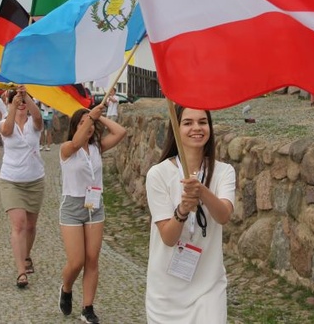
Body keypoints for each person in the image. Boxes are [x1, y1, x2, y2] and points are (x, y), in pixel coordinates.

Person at [144, 104, 236, 323]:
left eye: (202, 122)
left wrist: (202, 191)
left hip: (208, 287)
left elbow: (223, 216)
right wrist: (182, 210)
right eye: (188, 122)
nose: (197, 128)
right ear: (176, 129)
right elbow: (168, 237)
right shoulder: (158, 174)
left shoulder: (224, 172)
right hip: (166, 292)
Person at [58, 104, 126, 323]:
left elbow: (121, 132)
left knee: (92, 259)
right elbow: (77, 142)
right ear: (75, 126)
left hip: (95, 206)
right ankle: (66, 288)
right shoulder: (67, 148)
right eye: (82, 122)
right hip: (72, 206)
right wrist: (90, 117)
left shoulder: (97, 148)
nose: (87, 126)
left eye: (90, 123)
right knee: (76, 261)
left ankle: (87, 308)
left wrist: (100, 117)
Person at [0, 87, 45, 289]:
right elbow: (7, 130)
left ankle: (26, 256)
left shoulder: (34, 126)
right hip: (11, 180)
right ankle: (21, 272)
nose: (21, 103)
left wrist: (26, 96)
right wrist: (13, 105)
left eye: (25, 100)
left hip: (34, 180)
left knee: (30, 226)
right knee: (18, 224)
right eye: (16, 100)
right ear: (9, 103)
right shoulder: (4, 123)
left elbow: (38, 117)